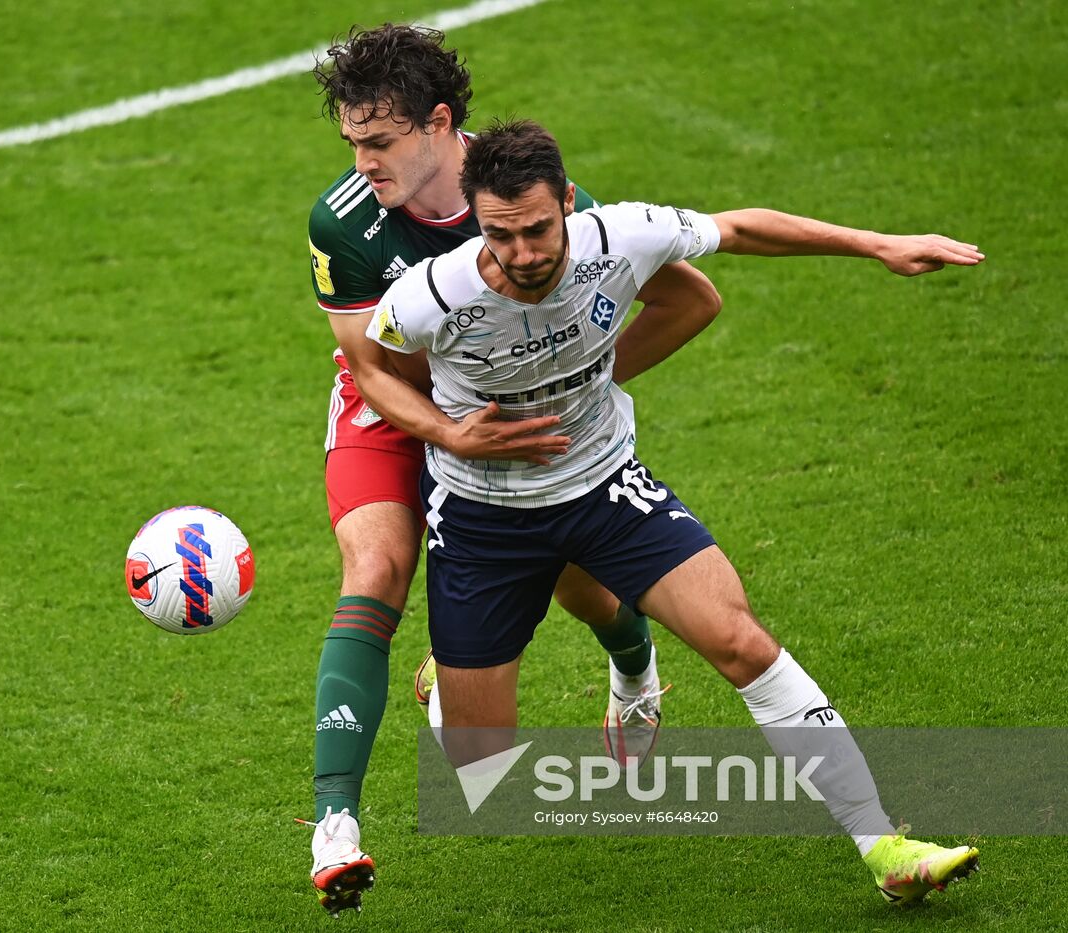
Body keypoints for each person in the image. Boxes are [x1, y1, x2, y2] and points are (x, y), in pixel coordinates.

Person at [362, 117, 984, 906]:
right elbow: (370, 367)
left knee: (740, 640)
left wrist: (879, 244)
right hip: (485, 519)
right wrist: (451, 432)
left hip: (604, 485)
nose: (523, 254)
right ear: (478, 221)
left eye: (539, 230)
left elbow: (743, 229)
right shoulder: (434, 294)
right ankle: (453, 681)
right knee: (479, 766)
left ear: (567, 202)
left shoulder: (620, 235)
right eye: (500, 235)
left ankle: (882, 843)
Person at [304, 25, 722, 916]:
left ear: (438, 125)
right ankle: (334, 824)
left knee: (577, 579)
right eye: (352, 142)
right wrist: (450, 435)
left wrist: (575, 386)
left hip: (514, 410)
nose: (363, 159)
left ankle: (633, 669)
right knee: (374, 569)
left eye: (378, 141)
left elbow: (615, 308)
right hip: (395, 409)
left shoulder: (529, 198)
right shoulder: (342, 221)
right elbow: (374, 367)